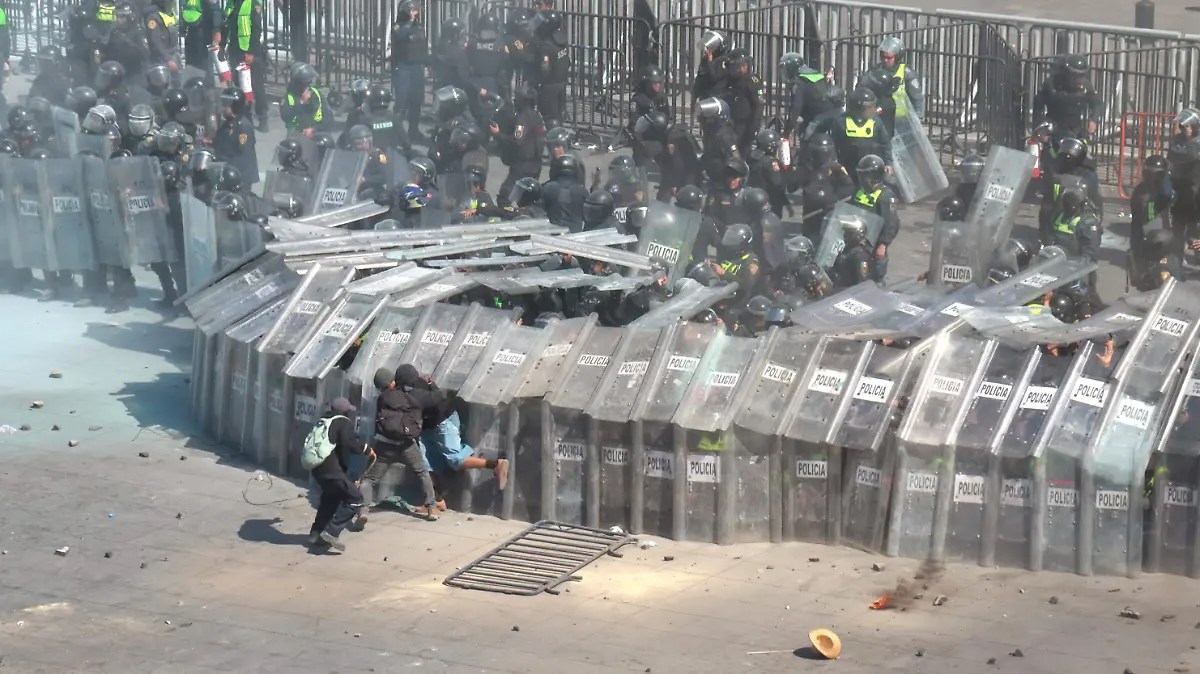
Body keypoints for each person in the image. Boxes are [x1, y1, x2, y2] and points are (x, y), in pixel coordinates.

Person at [362, 366, 442, 521]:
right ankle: (431, 508)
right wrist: (431, 383)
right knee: (422, 473)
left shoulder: (385, 396)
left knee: (369, 479)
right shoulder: (419, 396)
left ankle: (363, 511)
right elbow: (437, 397)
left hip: (385, 445)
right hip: (407, 444)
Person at [306, 397, 371, 552]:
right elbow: (348, 444)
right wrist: (365, 449)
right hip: (331, 470)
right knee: (355, 499)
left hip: (317, 468)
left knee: (330, 499)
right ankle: (332, 532)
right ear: (345, 411)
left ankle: (315, 534)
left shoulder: (323, 420)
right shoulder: (343, 422)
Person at [812, 86, 892, 184]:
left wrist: (888, 163)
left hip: (871, 167)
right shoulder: (842, 121)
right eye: (869, 107)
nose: (873, 110)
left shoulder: (876, 121)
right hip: (848, 167)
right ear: (858, 108)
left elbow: (885, 143)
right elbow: (834, 144)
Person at [850, 154, 900, 282]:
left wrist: (883, 245)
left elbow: (891, 223)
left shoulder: (886, 196)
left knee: (873, 279)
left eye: (865, 175)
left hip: (873, 245)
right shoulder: (859, 191)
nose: (862, 178)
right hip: (855, 241)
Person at [859, 37, 925, 134]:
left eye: (889, 58)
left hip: (902, 122)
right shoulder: (874, 71)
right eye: (883, 57)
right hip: (879, 117)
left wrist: (918, 120)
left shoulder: (907, 73)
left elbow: (917, 98)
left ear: (897, 57)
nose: (885, 60)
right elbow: (862, 88)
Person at [1032, 54, 1101, 143]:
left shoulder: (1086, 87)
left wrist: (1093, 120)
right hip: (1054, 130)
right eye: (1075, 75)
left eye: (1081, 75)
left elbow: (1096, 103)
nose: (1078, 79)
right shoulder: (1052, 84)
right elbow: (1038, 106)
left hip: (1075, 131)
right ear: (1067, 73)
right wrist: (1041, 130)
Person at [495, 83, 544, 206]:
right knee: (526, 199)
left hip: (522, 166)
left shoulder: (523, 118)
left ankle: (510, 220)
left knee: (504, 197)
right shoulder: (537, 116)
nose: (514, 100)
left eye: (517, 97)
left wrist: (498, 134)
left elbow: (517, 140)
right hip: (536, 165)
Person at [223, 0, 268, 130]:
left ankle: (263, 118)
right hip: (235, 50)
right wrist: (221, 45)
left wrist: (251, 52)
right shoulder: (231, 4)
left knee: (256, 85)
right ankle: (244, 116)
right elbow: (227, 26)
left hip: (249, 52)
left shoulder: (253, 4)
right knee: (239, 85)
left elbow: (256, 29)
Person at [1129, 155, 1174, 281]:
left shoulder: (1168, 189)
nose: (1152, 177)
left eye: (1156, 174)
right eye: (1149, 173)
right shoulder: (1141, 190)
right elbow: (1139, 218)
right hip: (1149, 233)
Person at [389, 0, 427, 144]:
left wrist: (427, 62)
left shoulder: (419, 26)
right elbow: (401, 36)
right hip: (403, 68)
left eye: (416, 11)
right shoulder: (398, 26)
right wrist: (409, 21)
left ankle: (414, 130)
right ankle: (396, 132)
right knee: (402, 103)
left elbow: (422, 46)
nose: (415, 14)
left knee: (416, 101)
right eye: (413, 11)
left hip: (417, 67)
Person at [779, 52, 835, 140]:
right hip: (832, 116)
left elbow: (795, 111)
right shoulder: (816, 76)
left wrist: (786, 133)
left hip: (818, 120)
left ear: (791, 69)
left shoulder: (800, 82)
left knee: (806, 142)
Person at [212, 86, 258, 187]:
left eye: (226, 105)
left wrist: (224, 168)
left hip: (239, 178)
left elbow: (243, 156)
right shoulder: (227, 123)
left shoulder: (243, 127)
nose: (223, 108)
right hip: (227, 172)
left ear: (235, 106)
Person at [722, 49, 765, 156]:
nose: (741, 69)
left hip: (744, 126)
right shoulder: (728, 81)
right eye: (737, 66)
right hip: (729, 124)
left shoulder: (752, 81)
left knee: (742, 155)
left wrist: (753, 128)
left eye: (744, 66)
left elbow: (758, 106)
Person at [532, 10, 570, 130]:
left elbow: (545, 68)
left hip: (550, 86)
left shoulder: (547, 46)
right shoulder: (562, 39)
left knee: (550, 116)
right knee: (559, 114)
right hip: (562, 82)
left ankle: (555, 142)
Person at [628, 65, 671, 166]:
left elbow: (668, 116)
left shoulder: (662, 98)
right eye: (654, 83)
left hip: (659, 136)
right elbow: (634, 123)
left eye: (658, 82)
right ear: (646, 83)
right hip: (644, 138)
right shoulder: (637, 100)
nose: (657, 85)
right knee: (642, 166)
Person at [747, 127, 789, 217]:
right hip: (770, 203)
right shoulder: (771, 162)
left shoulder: (751, 158)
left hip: (752, 200)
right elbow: (777, 183)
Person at [280, 63, 330, 136]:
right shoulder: (289, 96)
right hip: (296, 133)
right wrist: (301, 102)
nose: (309, 85)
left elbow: (329, 118)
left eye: (310, 82)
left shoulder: (316, 94)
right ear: (299, 83)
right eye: (307, 83)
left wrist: (314, 129)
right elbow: (285, 116)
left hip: (316, 132)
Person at [103, 3, 149, 82]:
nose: (118, 19)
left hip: (134, 72)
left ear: (130, 17)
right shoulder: (114, 32)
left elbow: (144, 53)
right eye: (117, 16)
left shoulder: (138, 32)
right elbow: (105, 48)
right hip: (117, 70)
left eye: (121, 17)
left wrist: (127, 42)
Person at [542, 154, 588, 232]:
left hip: (551, 235)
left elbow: (538, 212)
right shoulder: (582, 191)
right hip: (577, 236)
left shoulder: (548, 188)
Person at [830, 217, 875, 288]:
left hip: (845, 294)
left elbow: (862, 282)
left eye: (849, 232)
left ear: (858, 234)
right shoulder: (848, 250)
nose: (845, 235)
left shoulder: (861, 256)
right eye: (845, 232)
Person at [143, 0, 180, 82]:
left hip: (174, 54)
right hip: (162, 59)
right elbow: (156, 41)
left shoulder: (168, 12)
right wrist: (168, 59)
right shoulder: (153, 17)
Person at [180, 0, 220, 70]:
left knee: (200, 64)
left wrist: (217, 30)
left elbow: (216, 10)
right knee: (196, 64)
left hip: (199, 31)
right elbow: (215, 9)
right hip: (196, 31)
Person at [693, 29, 729, 101]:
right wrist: (695, 93)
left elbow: (715, 77)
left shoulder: (724, 60)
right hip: (704, 94)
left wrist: (710, 62)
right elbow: (701, 75)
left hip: (716, 96)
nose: (709, 49)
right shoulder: (706, 59)